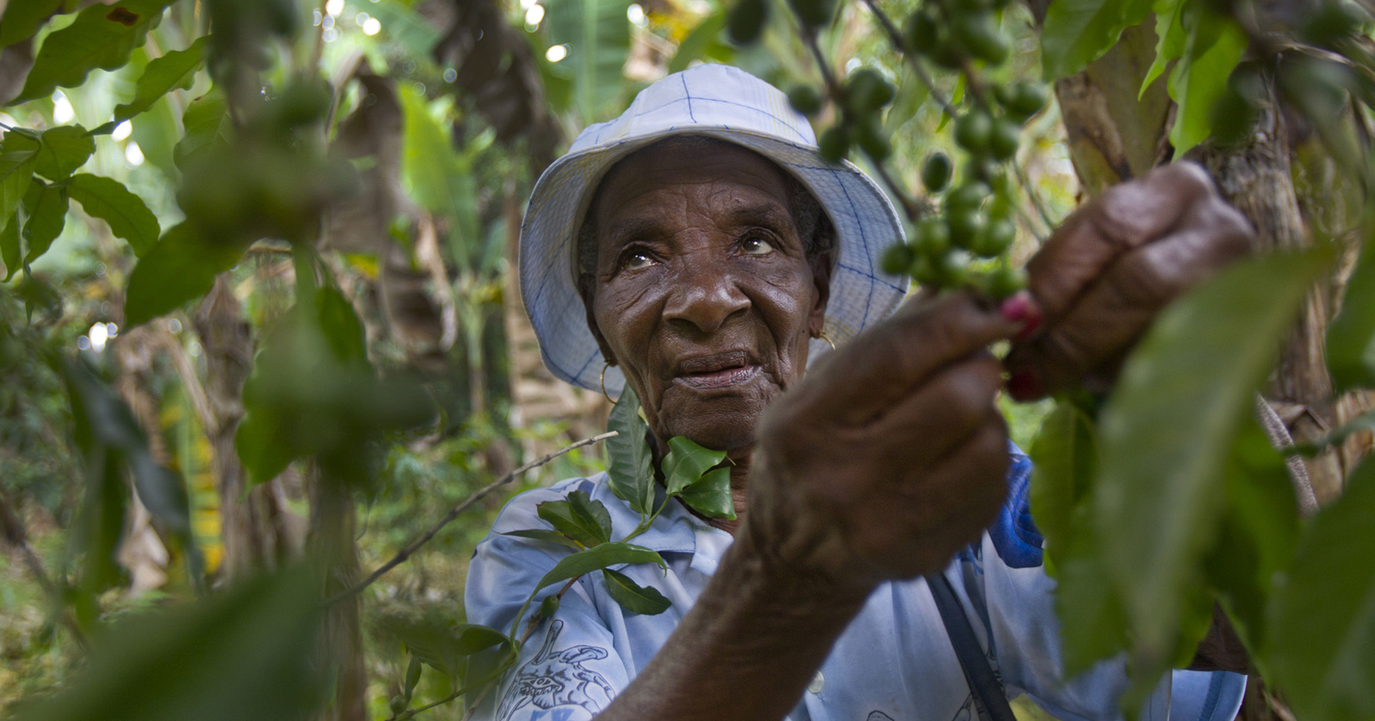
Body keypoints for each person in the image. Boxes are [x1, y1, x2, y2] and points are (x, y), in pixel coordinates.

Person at [466, 63, 1255, 721]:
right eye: (639, 257)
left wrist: (1170, 409)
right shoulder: (554, 548)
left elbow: (1206, 661)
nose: (706, 299)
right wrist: (793, 577)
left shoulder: (961, 508)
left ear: (816, 287)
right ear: (602, 320)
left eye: (756, 241)